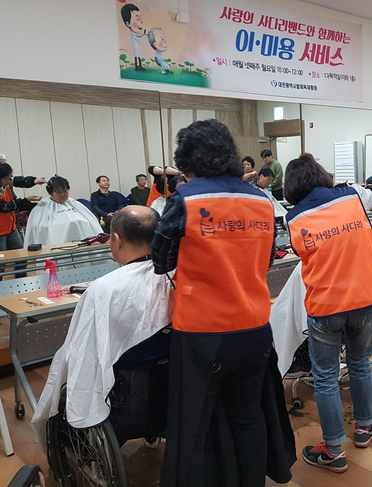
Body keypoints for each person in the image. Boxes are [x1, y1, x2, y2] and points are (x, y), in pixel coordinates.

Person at [152, 119, 294, 486]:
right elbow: (267, 259)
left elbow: (161, 261)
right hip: (255, 328)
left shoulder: (186, 199)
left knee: (194, 428)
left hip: (203, 333)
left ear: (187, 159)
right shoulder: (261, 200)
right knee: (248, 418)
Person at [31, 206, 173, 439]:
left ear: (116, 240)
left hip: (125, 380)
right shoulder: (175, 274)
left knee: (66, 359)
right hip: (168, 371)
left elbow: (83, 351)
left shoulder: (104, 288)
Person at [284, 155, 372, 473]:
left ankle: (333, 450)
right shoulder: (352, 196)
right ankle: (365, 427)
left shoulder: (293, 218)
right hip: (365, 299)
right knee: (360, 363)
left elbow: (302, 253)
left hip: (326, 306)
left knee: (326, 377)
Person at [24, 175, 102, 246]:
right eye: (58, 192)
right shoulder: (43, 206)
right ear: (50, 193)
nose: (62, 194)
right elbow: (37, 228)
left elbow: (91, 220)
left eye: (65, 191)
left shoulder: (74, 203)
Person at [0, 162, 42, 254]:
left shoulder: (5, 185)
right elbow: (7, 206)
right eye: (7, 178)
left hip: (11, 228)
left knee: (21, 254)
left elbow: (18, 181)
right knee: (1, 259)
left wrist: (34, 181)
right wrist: (26, 200)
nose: (9, 181)